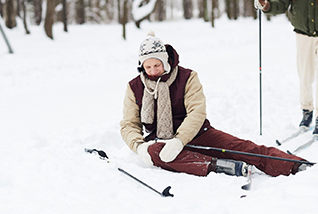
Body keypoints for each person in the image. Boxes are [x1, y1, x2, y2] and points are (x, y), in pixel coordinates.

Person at [120, 32, 308, 178]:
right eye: (147, 67)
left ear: (166, 61)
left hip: (198, 133)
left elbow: (197, 112)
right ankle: (218, 166)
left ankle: (293, 164)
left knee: (241, 147)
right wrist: (139, 147)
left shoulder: (187, 77)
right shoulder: (134, 86)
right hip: (161, 140)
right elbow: (129, 124)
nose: (153, 71)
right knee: (154, 152)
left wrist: (179, 141)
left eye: (157, 65)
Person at [255, 0, 318, 137]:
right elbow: (282, 4)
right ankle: (307, 111)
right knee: (305, 76)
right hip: (302, 34)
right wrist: (266, 5)